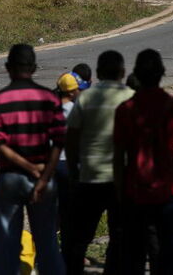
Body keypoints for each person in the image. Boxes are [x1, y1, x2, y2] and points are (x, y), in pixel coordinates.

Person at [0, 44, 67, 275]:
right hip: (44, 176)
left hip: (9, 177)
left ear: (7, 68)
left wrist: (26, 166)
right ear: (34, 68)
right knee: (48, 243)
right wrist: (42, 174)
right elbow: (59, 141)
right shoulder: (50, 99)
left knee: (6, 244)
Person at [114, 49, 173, 275]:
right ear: (162, 73)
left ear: (137, 74)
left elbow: (119, 158)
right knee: (170, 254)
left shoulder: (125, 110)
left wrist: (121, 192)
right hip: (169, 193)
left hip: (134, 193)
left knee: (132, 257)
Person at [64, 51, 133, 275]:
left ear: (99, 73)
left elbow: (71, 139)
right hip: (121, 180)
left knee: (80, 237)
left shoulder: (86, 98)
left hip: (90, 176)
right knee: (120, 236)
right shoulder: (132, 98)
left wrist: (74, 170)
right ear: (123, 73)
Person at [55, 73, 81, 261]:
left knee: (53, 210)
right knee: (70, 212)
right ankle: (70, 252)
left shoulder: (50, 110)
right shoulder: (76, 110)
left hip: (51, 165)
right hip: (69, 164)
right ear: (73, 91)